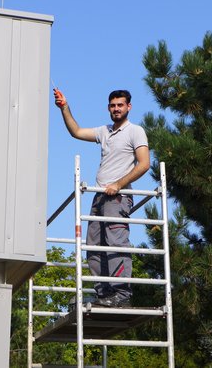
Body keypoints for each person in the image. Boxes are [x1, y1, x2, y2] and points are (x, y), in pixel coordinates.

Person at [54, 88, 150, 307]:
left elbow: (144, 163)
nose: (116, 109)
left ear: (129, 107)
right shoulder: (105, 131)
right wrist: (64, 107)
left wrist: (118, 184)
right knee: (94, 246)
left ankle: (121, 294)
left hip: (118, 197)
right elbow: (76, 132)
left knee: (116, 244)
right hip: (99, 197)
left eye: (120, 105)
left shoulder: (135, 131)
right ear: (109, 108)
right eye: (112, 105)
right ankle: (104, 294)